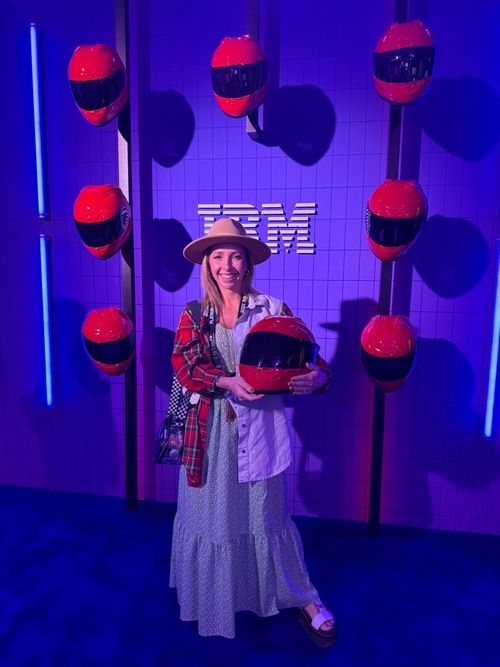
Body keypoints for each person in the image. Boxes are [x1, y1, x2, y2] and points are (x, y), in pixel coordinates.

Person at [169, 217, 335, 647]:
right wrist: (225, 381)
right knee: (214, 521)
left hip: (261, 431)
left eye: (235, 256)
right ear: (207, 263)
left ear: (247, 263)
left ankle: (303, 597)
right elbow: (185, 366)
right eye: (218, 256)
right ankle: (214, 599)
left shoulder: (273, 310)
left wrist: (318, 378)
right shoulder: (194, 314)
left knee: (267, 518)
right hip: (208, 436)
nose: (226, 265)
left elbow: (314, 362)